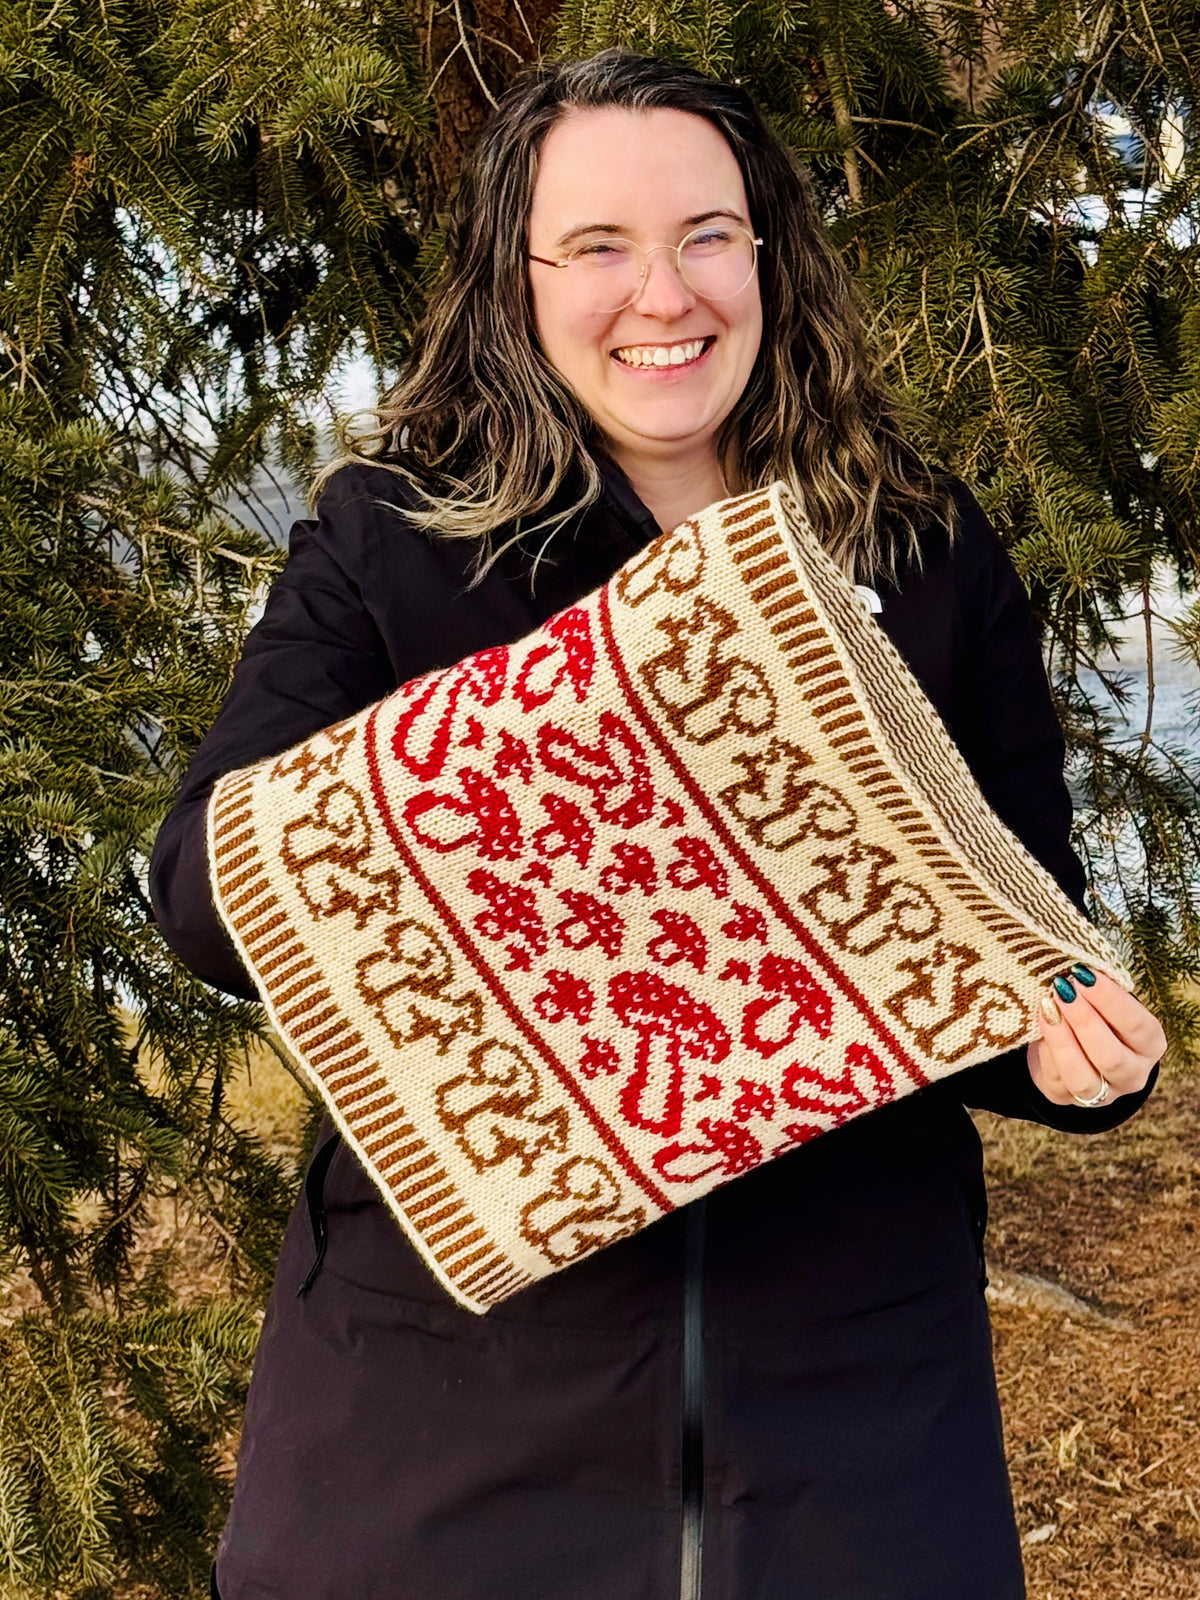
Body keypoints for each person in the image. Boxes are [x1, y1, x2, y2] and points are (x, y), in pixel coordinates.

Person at [150, 49, 1165, 1600]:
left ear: (769, 252)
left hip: (859, 1432)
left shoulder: (925, 543)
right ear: (518, 278)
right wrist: (621, 744)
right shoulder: (398, 538)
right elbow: (209, 899)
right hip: (438, 1423)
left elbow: (1021, 942)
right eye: (600, 247)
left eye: (707, 233)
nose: (663, 293)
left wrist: (1083, 1060)